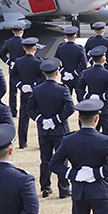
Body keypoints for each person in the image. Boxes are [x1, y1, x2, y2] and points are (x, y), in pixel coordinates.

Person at [28, 59, 74, 199]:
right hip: (59, 129)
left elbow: (30, 109)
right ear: (57, 72)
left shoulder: (37, 89)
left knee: (45, 159)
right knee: (61, 159)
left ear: (43, 73)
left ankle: (45, 187)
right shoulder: (62, 89)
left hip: (44, 129)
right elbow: (70, 108)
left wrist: (42, 120)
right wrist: (56, 120)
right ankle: (63, 188)